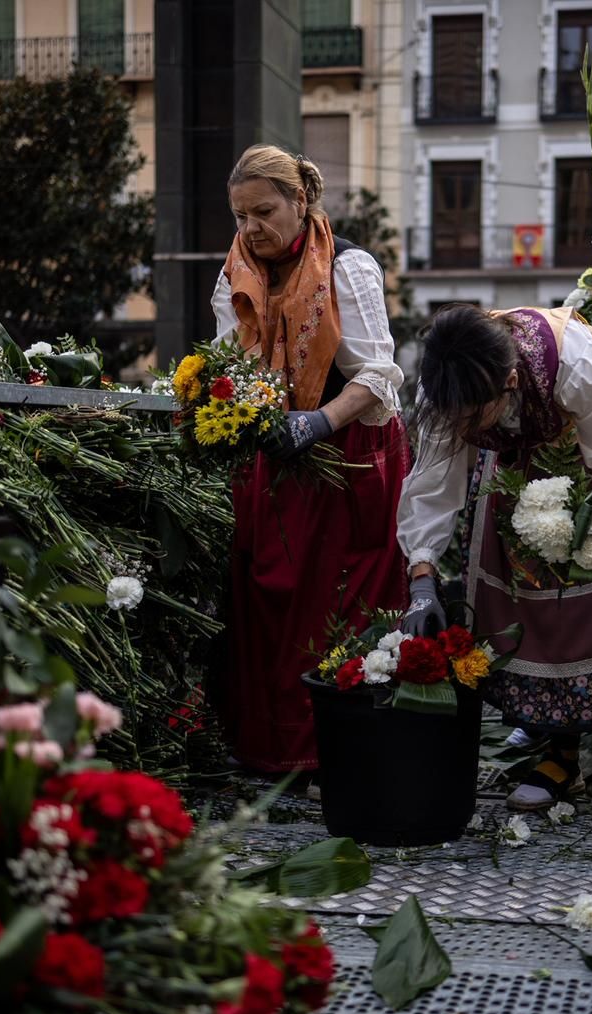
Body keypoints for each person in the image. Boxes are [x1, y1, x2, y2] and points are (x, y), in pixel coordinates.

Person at [395, 304, 592, 811]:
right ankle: (537, 720)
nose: (459, 425)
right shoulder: (450, 387)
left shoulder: (577, 367)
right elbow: (433, 485)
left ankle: (565, 751)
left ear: (510, 381)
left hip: (590, 446)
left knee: (576, 587)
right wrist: (422, 576)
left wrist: (588, 528)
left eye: (471, 418)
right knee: (514, 576)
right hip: (516, 454)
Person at [211, 144, 408, 773]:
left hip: (349, 454)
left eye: (263, 212)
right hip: (274, 457)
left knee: (341, 605)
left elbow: (379, 375)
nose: (251, 230)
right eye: (240, 216)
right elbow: (228, 365)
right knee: (271, 605)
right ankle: (276, 755)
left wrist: (318, 421)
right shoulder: (235, 272)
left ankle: (340, 756)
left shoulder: (348, 268)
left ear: (301, 201)